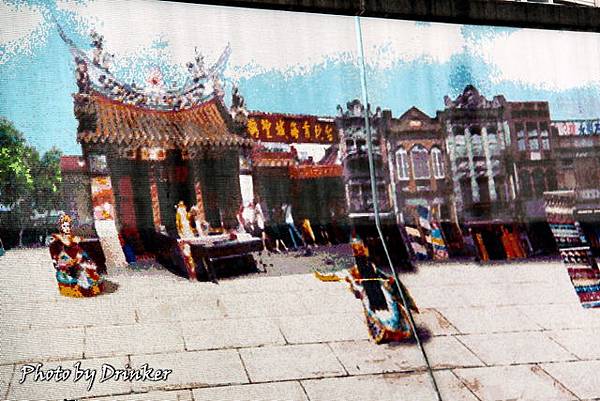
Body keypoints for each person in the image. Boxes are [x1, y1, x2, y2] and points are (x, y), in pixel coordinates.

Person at [49, 214, 104, 297]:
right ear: (61, 228)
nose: (67, 228)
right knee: (72, 273)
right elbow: (56, 255)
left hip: (78, 261)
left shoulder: (75, 238)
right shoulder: (57, 240)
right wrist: (63, 262)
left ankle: (88, 285)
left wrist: (82, 257)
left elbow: (80, 251)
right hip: (65, 262)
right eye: (64, 226)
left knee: (89, 269)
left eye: (68, 226)